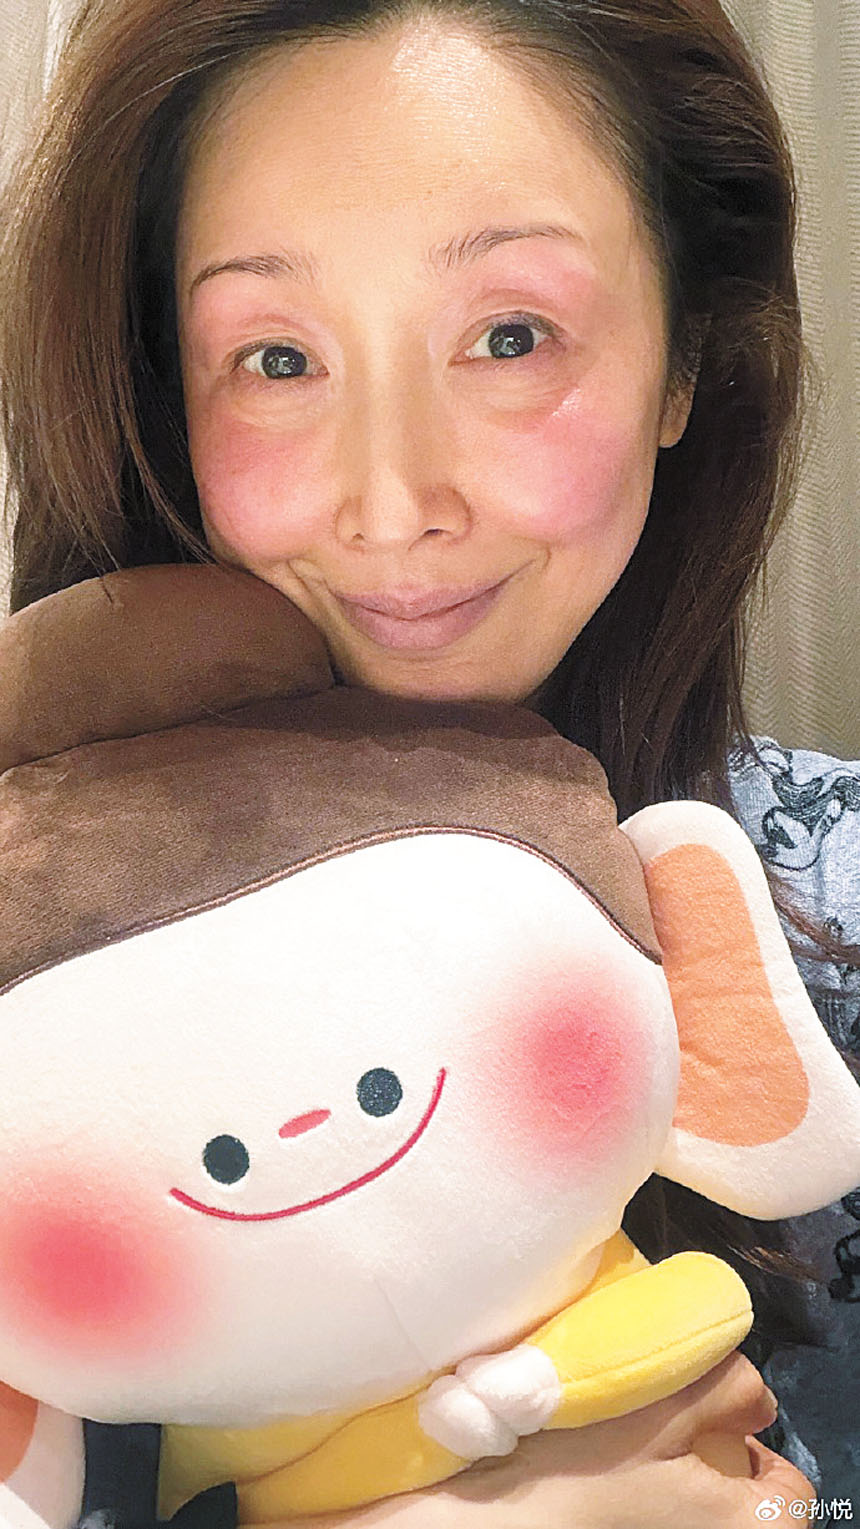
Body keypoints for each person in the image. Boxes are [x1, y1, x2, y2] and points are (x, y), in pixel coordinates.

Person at [0, 0, 857, 1522]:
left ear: (685, 359)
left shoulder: (831, 900)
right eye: (277, 358)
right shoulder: (40, 999)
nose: (391, 500)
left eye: (509, 337)